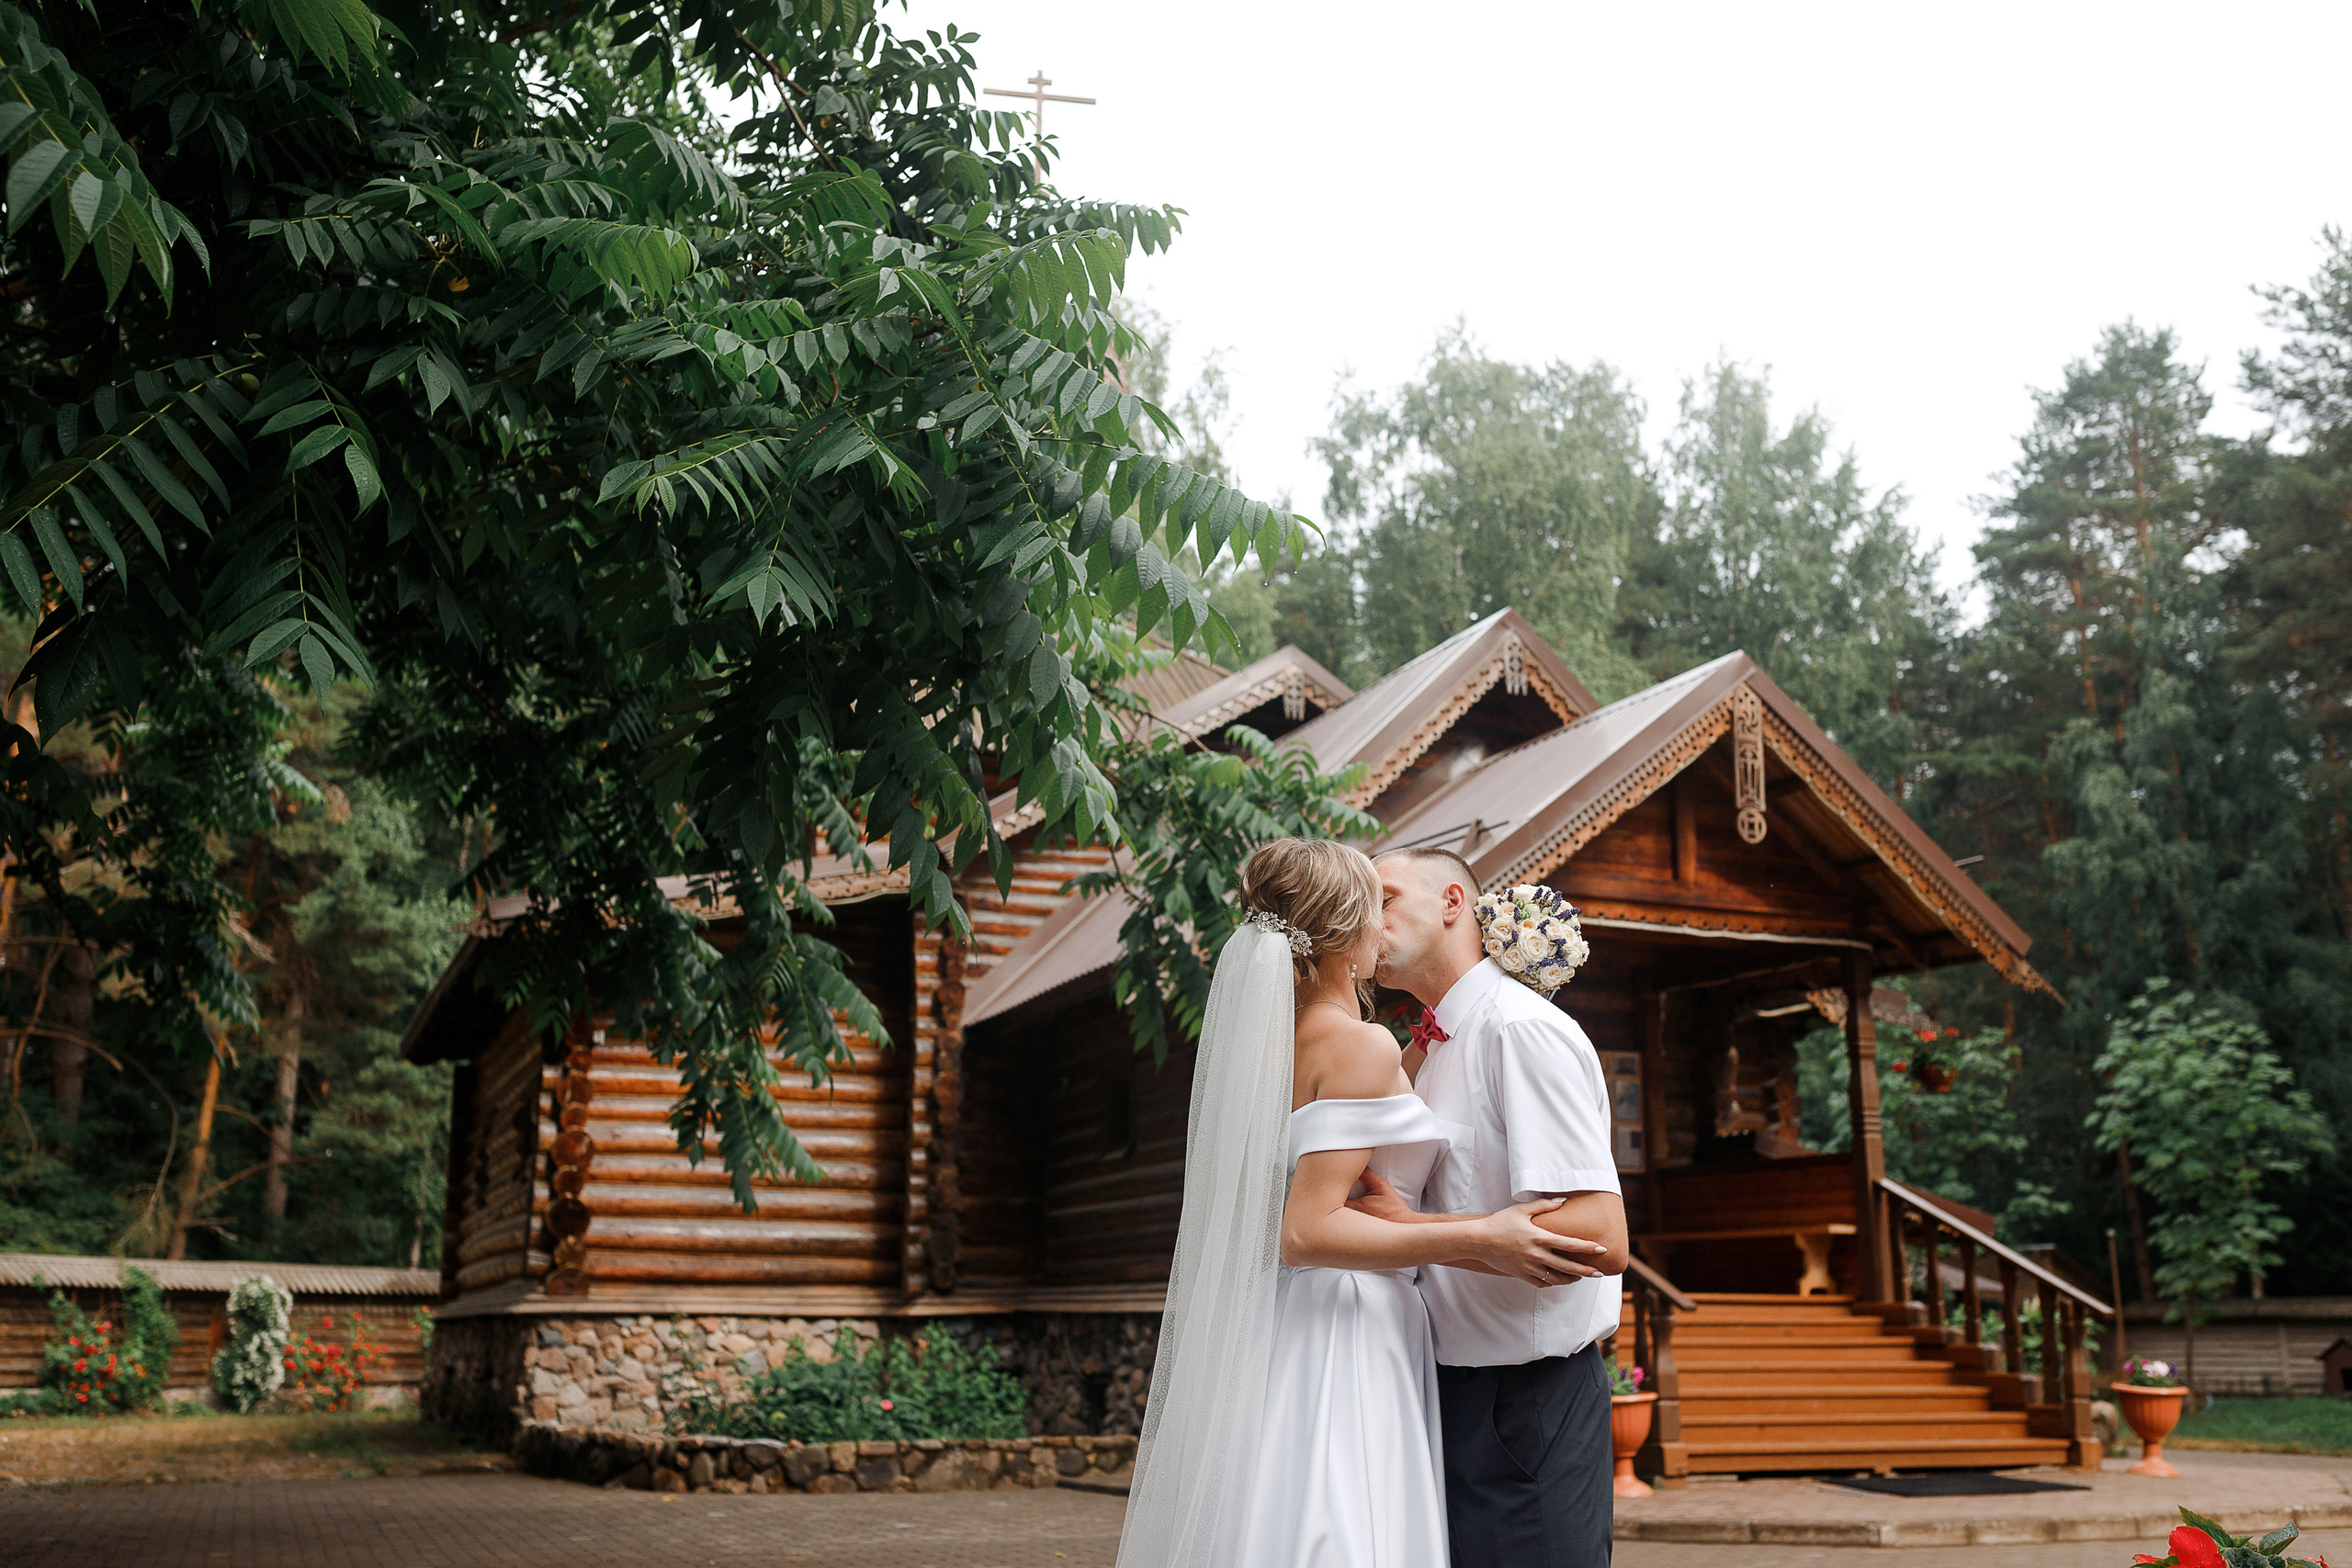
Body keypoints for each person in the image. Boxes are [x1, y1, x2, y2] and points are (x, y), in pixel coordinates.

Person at [1115, 839, 1611, 1568]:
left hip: (1359, 1332)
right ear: (1344, 937)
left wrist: (1425, 1223)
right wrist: (1471, 1235)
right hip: (1356, 1318)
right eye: (1370, 905)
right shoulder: (1367, 1046)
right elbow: (1309, 1227)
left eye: (1391, 898)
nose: (1382, 921)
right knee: (1350, 1524)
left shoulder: (1311, 1045)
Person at [1356, 845, 1631, 1568]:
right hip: (1450, 1394)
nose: (1365, 916)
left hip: (1528, 1402)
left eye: (1383, 895)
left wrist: (1413, 1232)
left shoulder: (1519, 1029)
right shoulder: (1426, 1049)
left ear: (1452, 903)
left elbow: (1600, 1237)